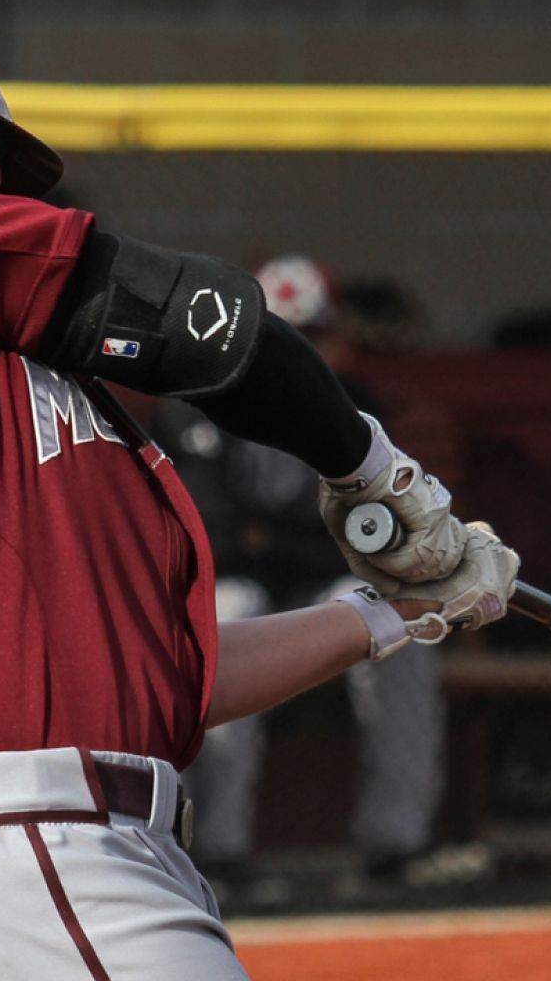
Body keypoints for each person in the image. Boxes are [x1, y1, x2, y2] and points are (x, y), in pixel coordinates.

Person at [0, 0, 518, 980]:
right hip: (31, 861)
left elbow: (157, 674)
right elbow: (205, 321)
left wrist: (396, 615)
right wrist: (376, 473)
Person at [157, 255, 461, 903]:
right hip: (242, 587)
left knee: (406, 618)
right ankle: (221, 852)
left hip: (319, 582)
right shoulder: (195, 400)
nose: (298, 352)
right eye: (276, 336)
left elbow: (373, 535)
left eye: (312, 336)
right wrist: (301, 538)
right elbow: (211, 541)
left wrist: (281, 540)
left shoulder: (353, 403)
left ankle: (396, 843)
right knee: (230, 607)